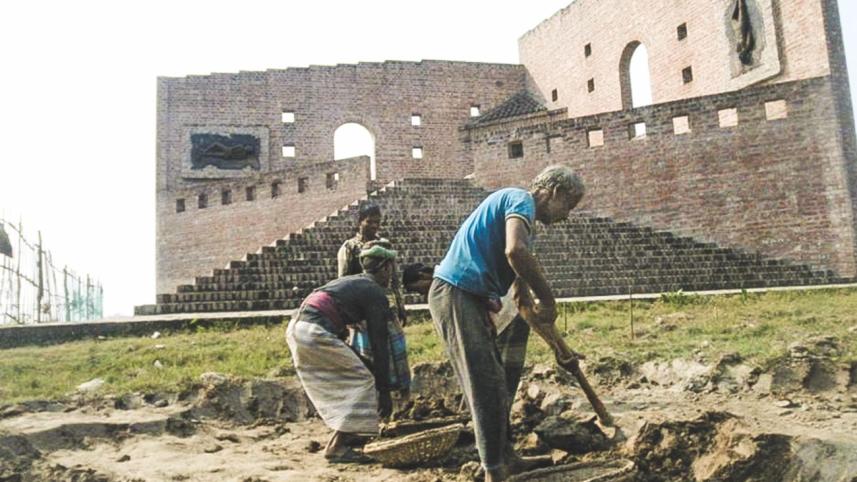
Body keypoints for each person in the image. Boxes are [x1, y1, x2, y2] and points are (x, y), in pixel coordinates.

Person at [428, 164, 585, 481]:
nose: (566, 215)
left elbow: (522, 304)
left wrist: (558, 347)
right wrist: (550, 299)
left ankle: (506, 457)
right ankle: (493, 472)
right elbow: (515, 251)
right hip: (455, 292)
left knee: (498, 381)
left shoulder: (525, 224)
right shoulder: (519, 200)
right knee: (484, 382)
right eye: (568, 205)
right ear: (554, 192)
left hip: (470, 298)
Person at [286, 243, 398, 463]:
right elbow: (379, 343)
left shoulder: (353, 282)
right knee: (364, 380)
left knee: (361, 371)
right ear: (385, 268)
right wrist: (384, 391)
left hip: (297, 328)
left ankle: (351, 433)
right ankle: (336, 446)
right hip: (313, 331)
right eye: (392, 268)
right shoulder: (374, 291)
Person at [337, 204, 410, 394]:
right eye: (370, 221)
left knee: (391, 349)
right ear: (360, 222)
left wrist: (401, 306)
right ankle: (373, 393)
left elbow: (393, 278)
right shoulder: (350, 247)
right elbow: (344, 280)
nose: (374, 226)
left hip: (384, 306)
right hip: (361, 310)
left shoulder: (384, 245)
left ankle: (395, 391)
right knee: (366, 353)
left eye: (377, 222)